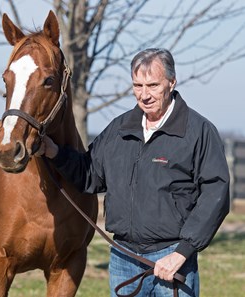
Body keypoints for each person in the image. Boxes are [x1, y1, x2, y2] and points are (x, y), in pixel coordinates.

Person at [37, 48, 230, 296]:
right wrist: (54, 152)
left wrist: (183, 252)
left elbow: (216, 194)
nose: (144, 94)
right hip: (123, 257)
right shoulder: (119, 129)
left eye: (152, 85)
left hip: (171, 258)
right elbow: (89, 174)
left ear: (171, 83)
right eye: (137, 85)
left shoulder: (198, 132)